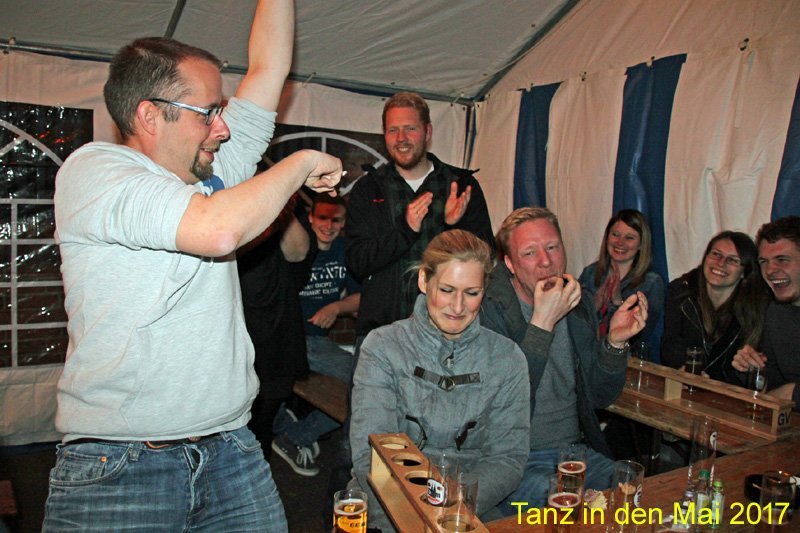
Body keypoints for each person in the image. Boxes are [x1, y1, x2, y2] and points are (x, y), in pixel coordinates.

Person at [44, 1, 341, 530]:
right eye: (208, 113)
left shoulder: (210, 170)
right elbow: (217, 230)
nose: (222, 128)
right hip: (122, 462)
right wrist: (301, 163)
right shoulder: (97, 171)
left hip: (231, 450)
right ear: (149, 115)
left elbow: (268, 68)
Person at [349, 230, 530, 531]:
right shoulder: (383, 346)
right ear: (424, 281)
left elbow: (508, 459)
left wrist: (452, 506)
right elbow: (372, 453)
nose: (458, 307)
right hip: (387, 500)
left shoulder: (506, 357)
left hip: (468, 505)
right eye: (447, 290)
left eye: (472, 293)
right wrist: (425, 513)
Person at [479, 207, 648, 512]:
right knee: (569, 510)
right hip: (515, 459)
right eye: (530, 253)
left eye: (552, 247)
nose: (546, 261)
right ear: (510, 264)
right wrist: (542, 324)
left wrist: (615, 342)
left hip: (575, 454)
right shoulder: (488, 308)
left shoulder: (578, 301)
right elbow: (505, 400)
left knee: (635, 498)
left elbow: (599, 396)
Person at [345, 91, 494, 343]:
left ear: (428, 132)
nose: (401, 138)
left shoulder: (460, 185)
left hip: (449, 334)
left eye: (410, 129)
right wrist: (405, 230)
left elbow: (486, 261)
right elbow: (358, 262)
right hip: (384, 334)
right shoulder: (368, 189)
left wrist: (455, 227)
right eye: (393, 130)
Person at [272, 194, 361, 476]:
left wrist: (337, 307)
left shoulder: (343, 250)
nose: (329, 225)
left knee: (366, 383)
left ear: (344, 223)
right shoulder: (296, 247)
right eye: (323, 217)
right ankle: (292, 434)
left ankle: (294, 432)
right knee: (364, 383)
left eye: (336, 220)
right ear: (310, 218)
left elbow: (361, 297)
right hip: (288, 340)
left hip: (318, 342)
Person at [238, 195, 316, 463]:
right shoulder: (228, 204)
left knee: (264, 420)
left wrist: (279, 201)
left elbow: (299, 252)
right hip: (240, 328)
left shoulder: (283, 208)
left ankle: (258, 473)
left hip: (277, 329)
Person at [662, 231, 769, 384]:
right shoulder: (681, 290)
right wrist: (685, 369)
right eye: (716, 254)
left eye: (733, 260)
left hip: (729, 392)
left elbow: (757, 366)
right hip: (684, 384)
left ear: (744, 272)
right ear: (705, 257)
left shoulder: (758, 307)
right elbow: (671, 344)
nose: (721, 263)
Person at [732, 216, 800, 411]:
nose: (770, 270)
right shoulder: (776, 312)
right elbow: (770, 388)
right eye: (763, 261)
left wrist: (792, 393)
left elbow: (783, 395)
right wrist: (751, 369)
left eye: (782, 260)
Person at [578, 209, 664, 358]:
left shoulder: (651, 284)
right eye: (615, 234)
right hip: (585, 358)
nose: (620, 242)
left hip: (624, 362)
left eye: (629, 237)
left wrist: (617, 304)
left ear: (641, 245)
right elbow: (574, 327)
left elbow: (640, 338)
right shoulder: (590, 273)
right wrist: (593, 308)